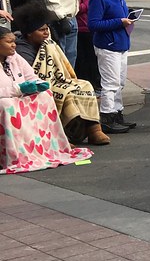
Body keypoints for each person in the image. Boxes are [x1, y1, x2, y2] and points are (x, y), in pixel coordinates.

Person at [13, 3, 109, 147]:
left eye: (47, 29)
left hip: (57, 79)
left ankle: (94, 129)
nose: (46, 33)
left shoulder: (48, 43)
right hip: (37, 85)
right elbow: (32, 74)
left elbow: (61, 65)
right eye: (41, 30)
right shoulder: (22, 49)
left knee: (85, 85)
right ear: (29, 33)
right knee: (65, 93)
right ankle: (60, 136)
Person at [0, 27, 92, 173]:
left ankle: (48, 145)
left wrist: (38, 86)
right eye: (9, 42)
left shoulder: (15, 57)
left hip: (18, 99)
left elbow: (32, 77)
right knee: (6, 104)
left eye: (14, 41)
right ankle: (16, 153)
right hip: (5, 101)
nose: (14, 45)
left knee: (46, 96)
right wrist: (19, 89)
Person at [87, 0, 135, 135]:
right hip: (107, 46)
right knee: (110, 83)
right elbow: (93, 24)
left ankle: (117, 113)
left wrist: (129, 16)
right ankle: (107, 117)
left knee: (120, 82)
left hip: (121, 44)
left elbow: (120, 15)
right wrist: (120, 22)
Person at [72, 0, 101, 90]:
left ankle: (96, 83)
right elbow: (75, 7)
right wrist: (89, 2)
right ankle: (87, 84)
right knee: (84, 59)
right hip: (81, 28)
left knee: (93, 58)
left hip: (91, 27)